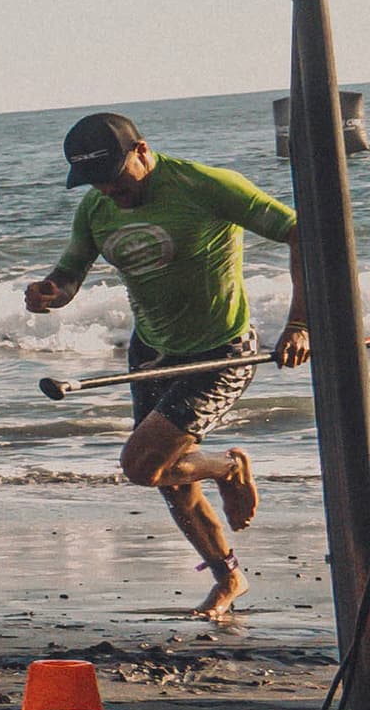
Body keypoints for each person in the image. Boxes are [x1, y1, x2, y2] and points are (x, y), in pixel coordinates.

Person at [23, 110, 311, 620]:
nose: (109, 189)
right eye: (95, 181)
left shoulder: (206, 185)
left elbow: (301, 234)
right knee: (173, 482)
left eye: (114, 176)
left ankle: (228, 467)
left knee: (142, 465)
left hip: (221, 351)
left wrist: (300, 324)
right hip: (152, 351)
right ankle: (229, 577)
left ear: (142, 150)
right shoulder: (95, 208)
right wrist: (51, 294)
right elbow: (68, 274)